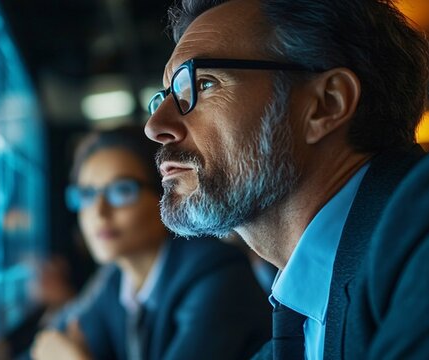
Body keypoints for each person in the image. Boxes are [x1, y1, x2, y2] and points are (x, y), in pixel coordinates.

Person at [145, 0, 429, 358]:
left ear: (327, 103)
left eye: (202, 83)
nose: (155, 126)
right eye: (165, 96)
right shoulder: (281, 345)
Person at [31, 125, 270, 360]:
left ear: (166, 196)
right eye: (87, 195)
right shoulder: (116, 279)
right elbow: (54, 340)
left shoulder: (217, 274)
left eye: (122, 191)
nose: (99, 212)